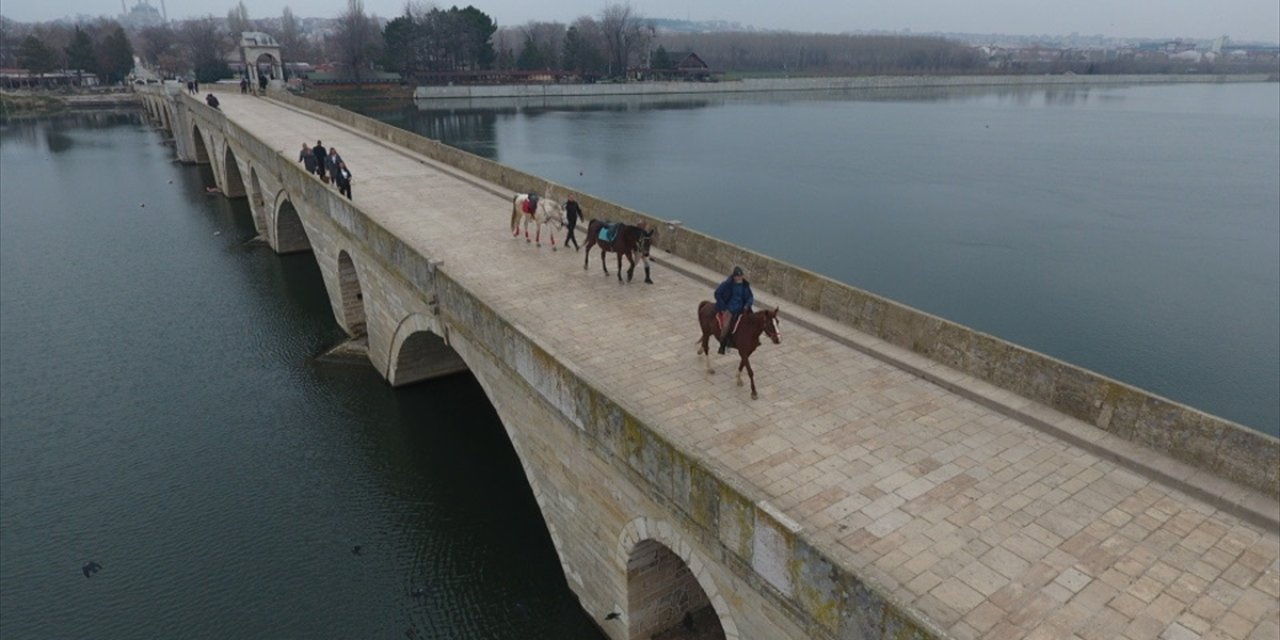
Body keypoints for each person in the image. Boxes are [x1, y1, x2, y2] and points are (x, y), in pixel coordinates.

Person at [713, 266, 754, 354]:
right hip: (730, 309)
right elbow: (717, 293)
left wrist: (747, 305)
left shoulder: (745, 285)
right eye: (738, 276)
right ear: (734, 277)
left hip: (742, 309)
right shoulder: (727, 284)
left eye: (741, 276)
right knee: (726, 326)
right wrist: (723, 307)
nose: (740, 278)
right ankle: (722, 345)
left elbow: (750, 297)